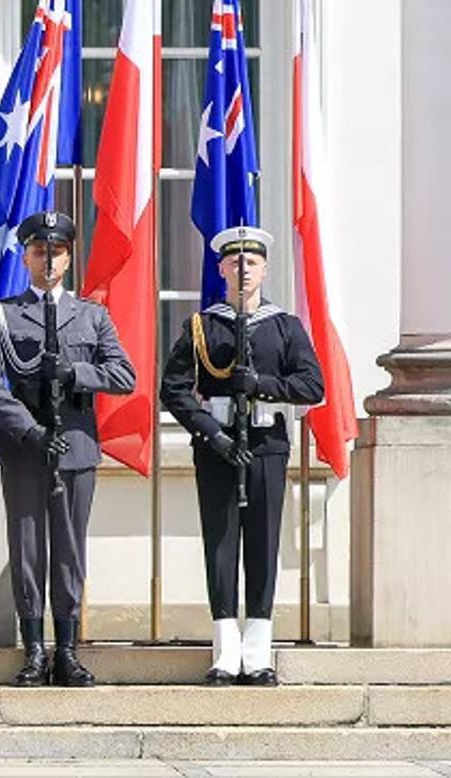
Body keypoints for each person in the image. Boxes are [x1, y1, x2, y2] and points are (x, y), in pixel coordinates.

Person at [0, 211, 135, 688]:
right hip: (25, 447)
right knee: (26, 549)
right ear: (26, 257)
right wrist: (27, 428)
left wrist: (75, 373)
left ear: (68, 256)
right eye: (39, 251)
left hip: (76, 444)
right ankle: (34, 650)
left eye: (56, 251)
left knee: (69, 551)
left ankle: (67, 651)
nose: (48, 260)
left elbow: (124, 375)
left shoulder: (92, 315)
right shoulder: (2, 315)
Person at [160, 225, 324, 687]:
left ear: (265, 269)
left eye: (251, 262)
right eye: (234, 263)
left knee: (263, 543)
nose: (243, 270)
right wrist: (212, 434)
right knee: (221, 544)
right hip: (218, 448)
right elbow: (172, 389)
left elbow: (313, 386)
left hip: (267, 445)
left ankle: (258, 650)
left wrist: (263, 385)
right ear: (221, 269)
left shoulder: (284, 326)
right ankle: (225, 650)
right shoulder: (202, 326)